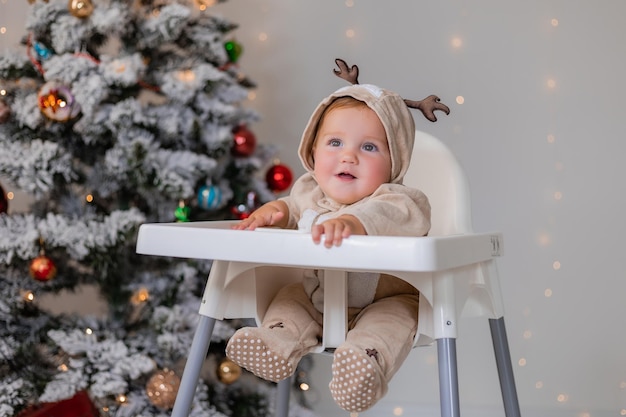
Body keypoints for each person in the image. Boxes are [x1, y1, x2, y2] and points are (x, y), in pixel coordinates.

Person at [226, 66, 448, 412]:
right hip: (317, 299)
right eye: (334, 142)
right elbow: (293, 207)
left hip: (384, 301)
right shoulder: (308, 192)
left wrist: (352, 221)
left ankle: (362, 367)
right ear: (313, 152)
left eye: (370, 147)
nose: (349, 155)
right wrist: (276, 212)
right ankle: (277, 341)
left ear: (395, 163)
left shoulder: (400, 199)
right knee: (289, 297)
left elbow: (394, 217)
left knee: (397, 317)